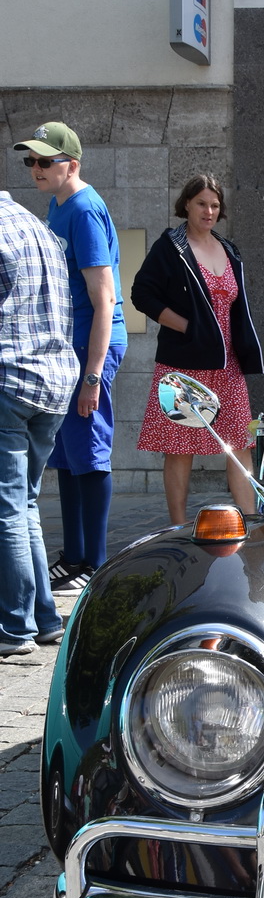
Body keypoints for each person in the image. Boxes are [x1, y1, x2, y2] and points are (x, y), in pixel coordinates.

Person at [16, 122, 126, 593]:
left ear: (72, 164)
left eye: (45, 161)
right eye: (31, 161)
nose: (36, 169)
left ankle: (95, 565)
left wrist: (93, 376)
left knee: (89, 449)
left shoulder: (84, 209)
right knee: (65, 454)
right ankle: (75, 555)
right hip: (66, 345)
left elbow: (104, 299)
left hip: (91, 346)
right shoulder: (56, 204)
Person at [132, 175, 264, 527]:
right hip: (184, 364)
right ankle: (177, 527)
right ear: (187, 204)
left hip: (228, 365)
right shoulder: (170, 246)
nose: (209, 211)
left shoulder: (230, 249)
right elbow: (142, 295)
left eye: (215, 205)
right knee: (179, 448)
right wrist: (187, 327)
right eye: (202, 203)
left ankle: (251, 524)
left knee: (240, 444)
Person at [0, 187, 80, 654]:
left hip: (10, 376)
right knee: (24, 503)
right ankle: (45, 618)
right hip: (53, 381)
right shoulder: (40, 229)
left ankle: (14, 629)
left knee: (9, 507)